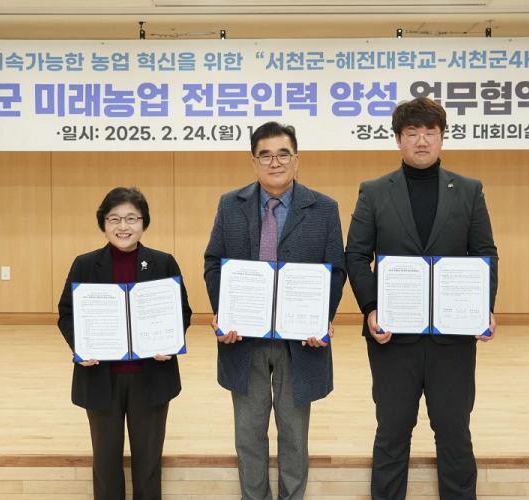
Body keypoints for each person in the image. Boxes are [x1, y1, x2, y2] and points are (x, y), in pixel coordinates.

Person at [345, 97, 498, 500]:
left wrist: (483, 308)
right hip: (392, 336)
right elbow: (356, 255)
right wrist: (371, 308)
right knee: (392, 432)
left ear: (443, 137)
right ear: (398, 140)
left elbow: (485, 253)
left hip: (454, 336)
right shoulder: (374, 192)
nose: (422, 141)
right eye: (412, 133)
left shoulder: (469, 190)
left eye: (431, 132)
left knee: (454, 432)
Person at [204, 121, 346, 500]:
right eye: (265, 155)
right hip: (243, 339)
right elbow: (214, 262)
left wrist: (321, 318)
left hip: (300, 340)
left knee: (294, 435)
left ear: (296, 159)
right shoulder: (230, 205)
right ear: (253, 161)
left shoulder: (324, 208)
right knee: (248, 434)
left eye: (283, 154)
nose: (275, 162)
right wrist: (224, 312)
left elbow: (336, 269)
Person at [57, 187, 192, 500]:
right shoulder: (85, 264)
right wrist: (81, 346)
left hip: (151, 377)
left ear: (144, 223)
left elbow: (182, 312)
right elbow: (67, 313)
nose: (123, 226)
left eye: (132, 218)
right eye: (114, 219)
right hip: (100, 378)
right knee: (105, 464)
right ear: (103, 224)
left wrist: (170, 342)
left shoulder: (163, 262)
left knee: (148, 464)